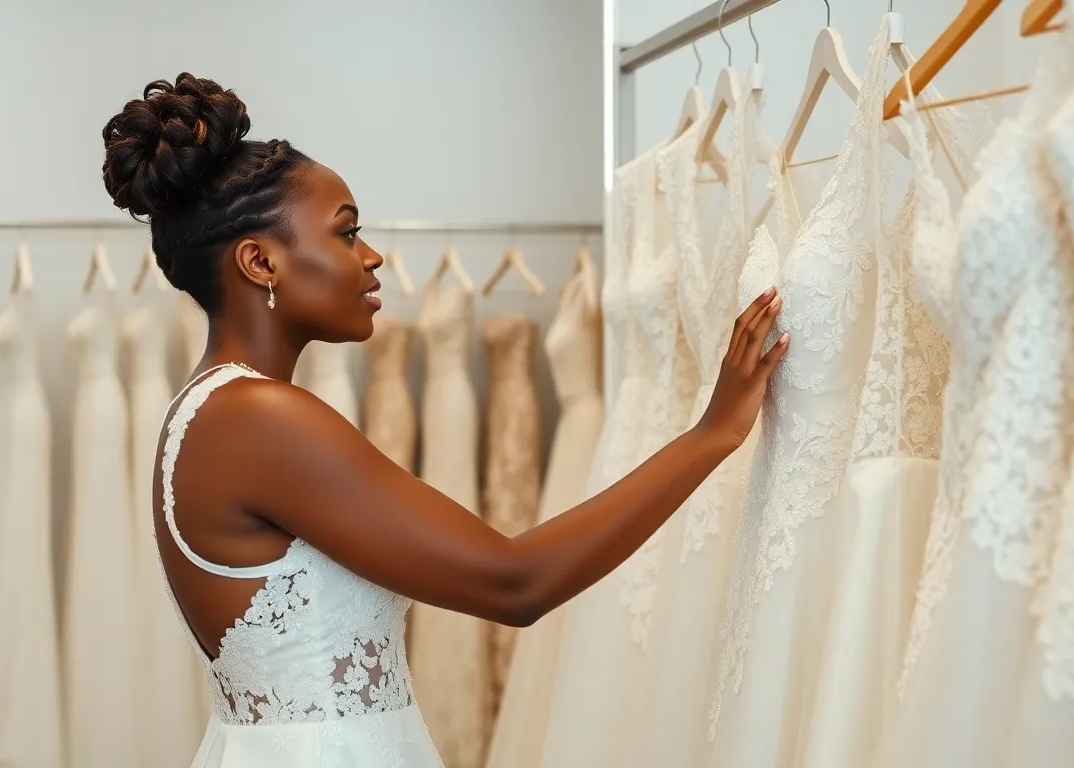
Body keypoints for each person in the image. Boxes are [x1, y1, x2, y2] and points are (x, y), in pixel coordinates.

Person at [100, 72, 789, 768]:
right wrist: (712, 435)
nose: (371, 258)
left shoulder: (210, 407)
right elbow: (514, 582)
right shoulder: (256, 417)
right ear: (260, 261)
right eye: (346, 232)